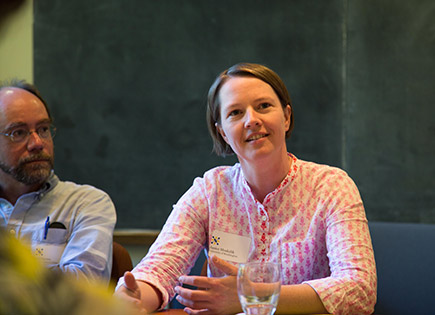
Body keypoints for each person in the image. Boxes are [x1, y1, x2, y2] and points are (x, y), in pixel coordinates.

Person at [114, 63, 377, 314]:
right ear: (223, 133)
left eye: (263, 106)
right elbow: (159, 269)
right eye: (235, 113)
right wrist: (134, 298)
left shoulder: (331, 186)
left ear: (286, 117)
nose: (252, 120)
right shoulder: (209, 191)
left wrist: (249, 295)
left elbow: (359, 289)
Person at [0, 79, 116, 284]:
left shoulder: (85, 204)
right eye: (18, 132)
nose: (37, 143)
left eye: (43, 129)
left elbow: (83, 289)